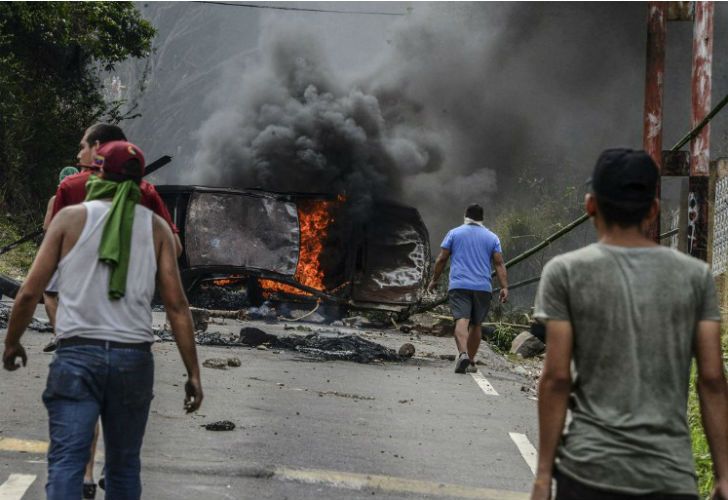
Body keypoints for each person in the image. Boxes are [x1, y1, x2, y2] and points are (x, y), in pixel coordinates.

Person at [2, 140, 204, 500]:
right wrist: (193, 373)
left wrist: (12, 342)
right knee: (125, 466)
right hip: (134, 359)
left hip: (78, 355)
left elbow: (31, 292)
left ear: (98, 173)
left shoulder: (69, 218)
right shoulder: (157, 228)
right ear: (140, 179)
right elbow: (177, 306)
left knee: (67, 459)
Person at [530, 149, 728, 500]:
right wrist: (723, 477)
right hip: (668, 478)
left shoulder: (564, 272)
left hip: (588, 473)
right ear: (653, 210)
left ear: (591, 206)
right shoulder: (695, 276)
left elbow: (557, 378)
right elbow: (712, 380)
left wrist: (543, 477)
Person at [428, 203, 508, 373]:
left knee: (461, 320)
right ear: (482, 218)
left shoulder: (454, 233)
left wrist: (434, 279)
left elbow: (442, 259)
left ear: (466, 216)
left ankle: (463, 354)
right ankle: (470, 361)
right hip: (483, 287)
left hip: (459, 285)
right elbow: (499, 264)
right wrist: (504, 287)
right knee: (477, 325)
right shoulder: (492, 237)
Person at [41, 166, 79, 345]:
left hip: (60, 251)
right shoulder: (87, 200)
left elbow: (47, 228)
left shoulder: (55, 199)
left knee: (49, 294)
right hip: (81, 252)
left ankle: (59, 335)